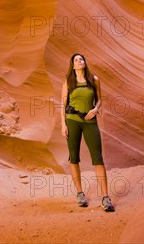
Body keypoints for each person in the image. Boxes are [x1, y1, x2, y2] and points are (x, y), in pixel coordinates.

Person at [61, 53, 115, 212]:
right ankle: (80, 193)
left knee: (98, 158)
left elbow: (99, 99)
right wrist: (63, 124)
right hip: (72, 121)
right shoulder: (68, 82)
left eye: (81, 59)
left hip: (90, 121)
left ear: (85, 62)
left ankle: (105, 197)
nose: (79, 61)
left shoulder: (94, 80)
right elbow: (62, 104)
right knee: (74, 157)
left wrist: (96, 109)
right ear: (72, 65)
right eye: (76, 60)